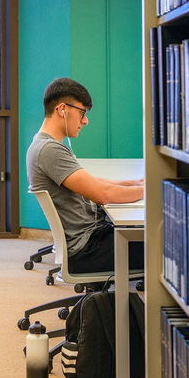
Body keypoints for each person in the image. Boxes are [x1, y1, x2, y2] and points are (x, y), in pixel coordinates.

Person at [26, 77, 144, 274]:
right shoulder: (49, 149)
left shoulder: (46, 144)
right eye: (82, 113)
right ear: (62, 109)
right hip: (87, 250)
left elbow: (91, 182)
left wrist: (132, 183)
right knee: (167, 246)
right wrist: (148, 191)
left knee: (153, 236)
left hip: (90, 241)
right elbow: (102, 194)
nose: (85, 121)